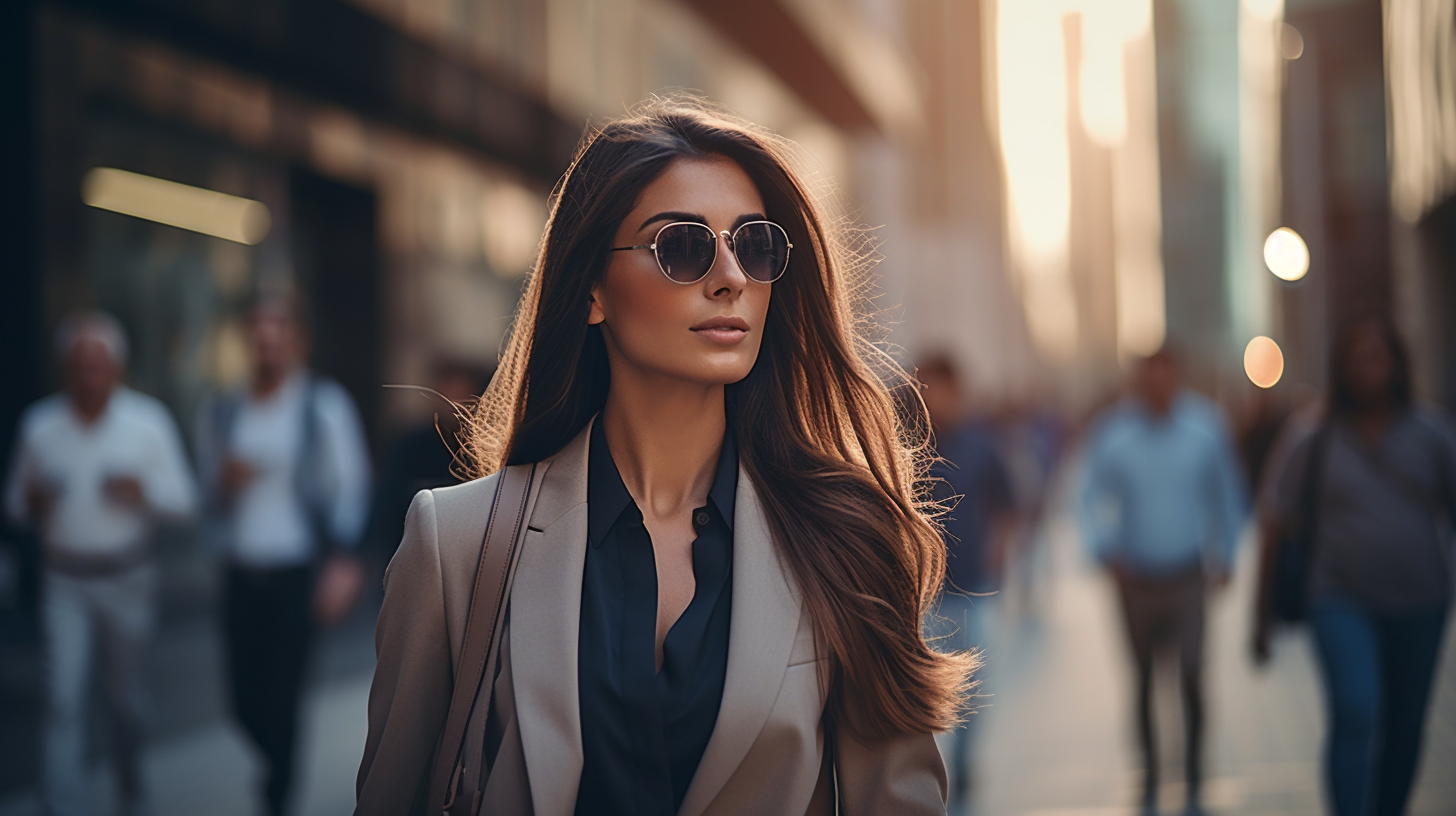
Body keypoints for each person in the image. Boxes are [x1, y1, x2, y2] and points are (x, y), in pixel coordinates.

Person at [355, 97, 972, 815]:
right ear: (591, 289)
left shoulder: (846, 539)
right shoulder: (455, 544)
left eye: (755, 245)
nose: (730, 277)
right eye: (682, 245)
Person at [1253, 317, 1454, 816]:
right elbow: (1274, 522)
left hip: (1420, 602)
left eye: (1376, 358)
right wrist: (1260, 618)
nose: (1366, 370)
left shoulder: (1430, 434)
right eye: (1355, 360)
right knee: (1357, 709)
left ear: (1397, 365)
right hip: (1339, 598)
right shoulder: (1312, 436)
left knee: (1406, 724)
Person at [4, 312, 197, 816]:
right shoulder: (39, 426)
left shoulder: (148, 422)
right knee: (61, 701)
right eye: (79, 364)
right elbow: (14, 505)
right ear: (66, 368)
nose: (89, 375)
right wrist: (32, 500)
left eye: (99, 364)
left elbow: (185, 502)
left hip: (128, 576)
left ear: (117, 368)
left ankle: (131, 787)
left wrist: (143, 491)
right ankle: (60, 804)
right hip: (63, 578)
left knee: (126, 701)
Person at [196, 294, 371, 816]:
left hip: (299, 572)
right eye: (258, 331)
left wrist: (345, 561)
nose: (267, 341)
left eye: (278, 330)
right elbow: (202, 490)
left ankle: (278, 800)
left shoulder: (323, 404)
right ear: (248, 340)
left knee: (284, 697)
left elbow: (352, 486)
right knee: (242, 705)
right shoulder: (224, 409)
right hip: (240, 572)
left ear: (297, 340)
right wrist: (221, 483)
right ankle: (275, 774)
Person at [1078, 348, 1247, 816]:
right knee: (1143, 680)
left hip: (1188, 575)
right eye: (1148, 377)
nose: (1157, 386)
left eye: (1165, 376)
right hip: (1136, 580)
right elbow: (1088, 496)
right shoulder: (1114, 433)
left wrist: (1227, 553)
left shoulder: (1205, 428)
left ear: (1178, 377)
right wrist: (1105, 550)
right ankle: (1151, 775)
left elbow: (1227, 494)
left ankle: (1193, 773)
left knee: (1192, 674)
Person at [917, 354, 1014, 805]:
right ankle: (928, 768)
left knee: (973, 684)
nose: (935, 400)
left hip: (973, 586)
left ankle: (965, 761)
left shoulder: (981, 444)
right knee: (922, 689)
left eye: (942, 389)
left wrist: (1000, 547)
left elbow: (1009, 501)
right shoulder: (904, 443)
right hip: (920, 595)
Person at [361, 359, 494, 567]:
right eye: (446, 393)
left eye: (461, 394)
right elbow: (386, 502)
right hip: (413, 558)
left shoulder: (488, 451)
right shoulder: (412, 446)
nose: (453, 402)